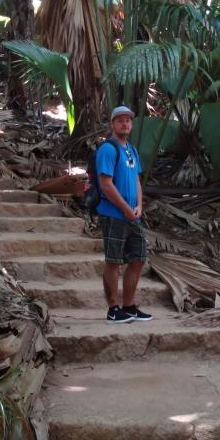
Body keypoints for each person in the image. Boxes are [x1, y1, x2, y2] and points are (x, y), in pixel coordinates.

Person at [95, 105, 153, 324]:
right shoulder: (108, 149)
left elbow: (136, 180)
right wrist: (126, 209)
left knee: (137, 259)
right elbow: (106, 185)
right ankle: (113, 309)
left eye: (128, 120)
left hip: (132, 215)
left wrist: (138, 205)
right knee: (113, 261)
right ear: (112, 124)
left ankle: (129, 306)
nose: (125, 124)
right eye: (120, 120)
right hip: (113, 215)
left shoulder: (131, 149)